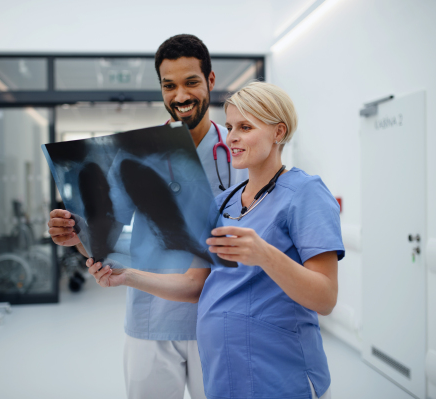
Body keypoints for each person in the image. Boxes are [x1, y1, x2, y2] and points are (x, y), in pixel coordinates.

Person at [90, 81, 344, 399]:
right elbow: (196, 285)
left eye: (245, 127)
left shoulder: (305, 193)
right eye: (229, 126)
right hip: (224, 376)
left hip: (280, 376)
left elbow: (325, 298)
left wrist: (265, 254)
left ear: (279, 133)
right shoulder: (224, 203)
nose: (233, 136)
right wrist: (127, 277)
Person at [47, 34, 247, 399]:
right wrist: (74, 236)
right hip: (152, 318)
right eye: (169, 86)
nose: (180, 96)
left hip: (219, 319)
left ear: (211, 81)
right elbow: (106, 243)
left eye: (191, 82)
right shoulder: (132, 155)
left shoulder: (237, 150)